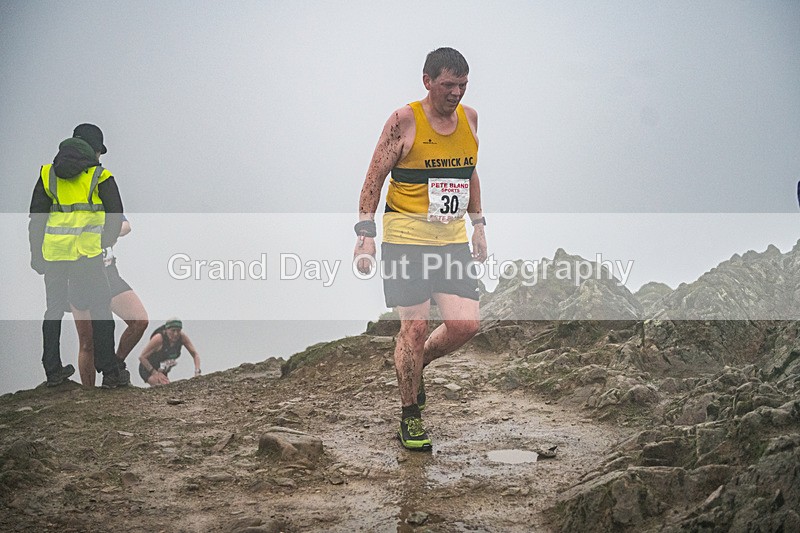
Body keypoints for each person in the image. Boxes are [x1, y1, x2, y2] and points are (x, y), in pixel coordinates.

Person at [353, 48, 487, 451]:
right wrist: (365, 233)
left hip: (450, 240)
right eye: (449, 85)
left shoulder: (471, 119)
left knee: (466, 325)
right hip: (405, 238)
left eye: (463, 85)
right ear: (427, 81)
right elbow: (374, 176)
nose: (456, 93)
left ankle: (419, 363)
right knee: (414, 326)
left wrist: (479, 225)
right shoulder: (404, 121)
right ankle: (410, 416)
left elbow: (469, 170)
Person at [28, 123, 130, 388]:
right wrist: (103, 243)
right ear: (95, 150)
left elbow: (36, 219)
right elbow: (115, 215)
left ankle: (52, 371)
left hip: (54, 255)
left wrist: (36, 256)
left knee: (53, 310)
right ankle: (109, 372)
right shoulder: (101, 175)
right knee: (101, 310)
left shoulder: (48, 173)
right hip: (88, 255)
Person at [72, 215, 149, 387]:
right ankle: (89, 393)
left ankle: (116, 365)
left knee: (140, 320)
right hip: (79, 275)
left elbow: (126, 226)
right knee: (87, 341)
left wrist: (103, 233)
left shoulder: (103, 197)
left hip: (108, 271)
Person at [138, 318, 201, 387]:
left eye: (178, 331)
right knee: (162, 386)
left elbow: (195, 354)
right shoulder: (159, 339)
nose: (175, 334)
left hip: (162, 367)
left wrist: (197, 372)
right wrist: (154, 372)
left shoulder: (182, 337)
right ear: (166, 330)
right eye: (173, 330)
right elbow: (142, 357)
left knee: (168, 386)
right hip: (148, 368)